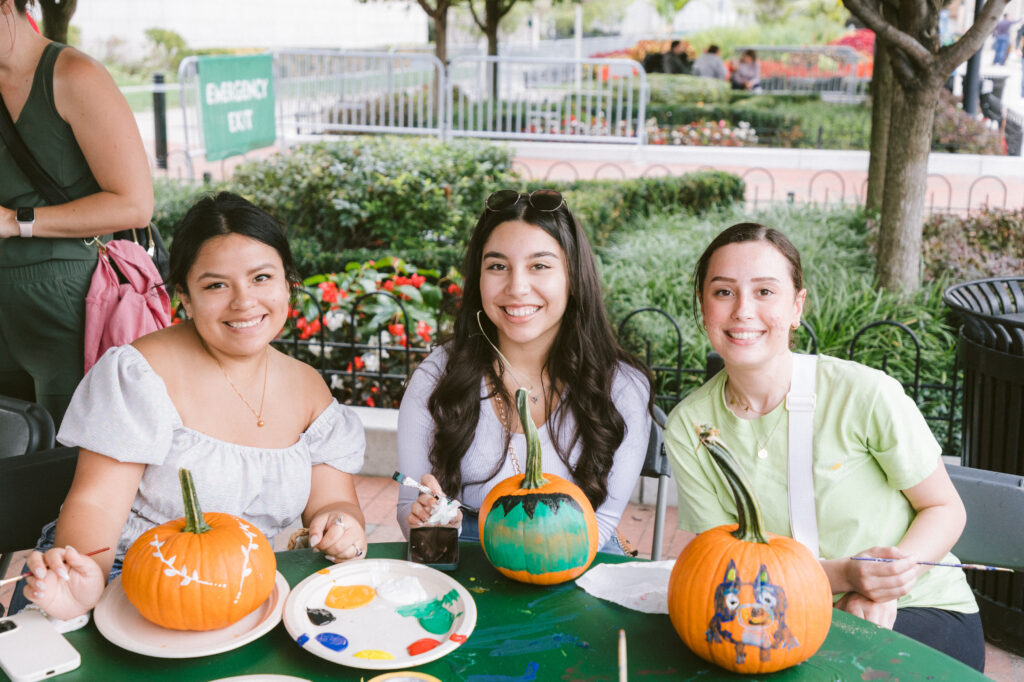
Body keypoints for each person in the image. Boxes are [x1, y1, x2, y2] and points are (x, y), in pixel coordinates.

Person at [13, 192, 368, 621]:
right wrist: (80, 588)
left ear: (287, 282)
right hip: (125, 579)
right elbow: (97, 505)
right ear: (184, 295)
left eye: (261, 278)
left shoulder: (309, 387)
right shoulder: (141, 373)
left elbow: (335, 503)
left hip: (242, 587)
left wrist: (341, 527)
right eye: (216, 285)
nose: (244, 302)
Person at [663, 223, 984, 671]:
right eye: (723, 292)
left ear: (796, 307)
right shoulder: (689, 426)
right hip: (778, 612)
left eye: (765, 292)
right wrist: (846, 579)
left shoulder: (864, 393)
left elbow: (945, 509)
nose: (743, 310)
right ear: (703, 307)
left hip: (916, 604)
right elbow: (725, 564)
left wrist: (884, 583)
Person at [397, 189, 653, 554]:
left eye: (540, 266)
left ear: (573, 277)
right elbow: (409, 508)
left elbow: (603, 524)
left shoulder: (622, 387)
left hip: (579, 555)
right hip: (468, 556)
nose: (516, 288)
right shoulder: (437, 376)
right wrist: (434, 523)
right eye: (497, 266)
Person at [0, 0, 153, 428]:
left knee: (74, 458)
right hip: (8, 301)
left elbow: (134, 204)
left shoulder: (73, 75)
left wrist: (16, 222)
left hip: (72, 297)